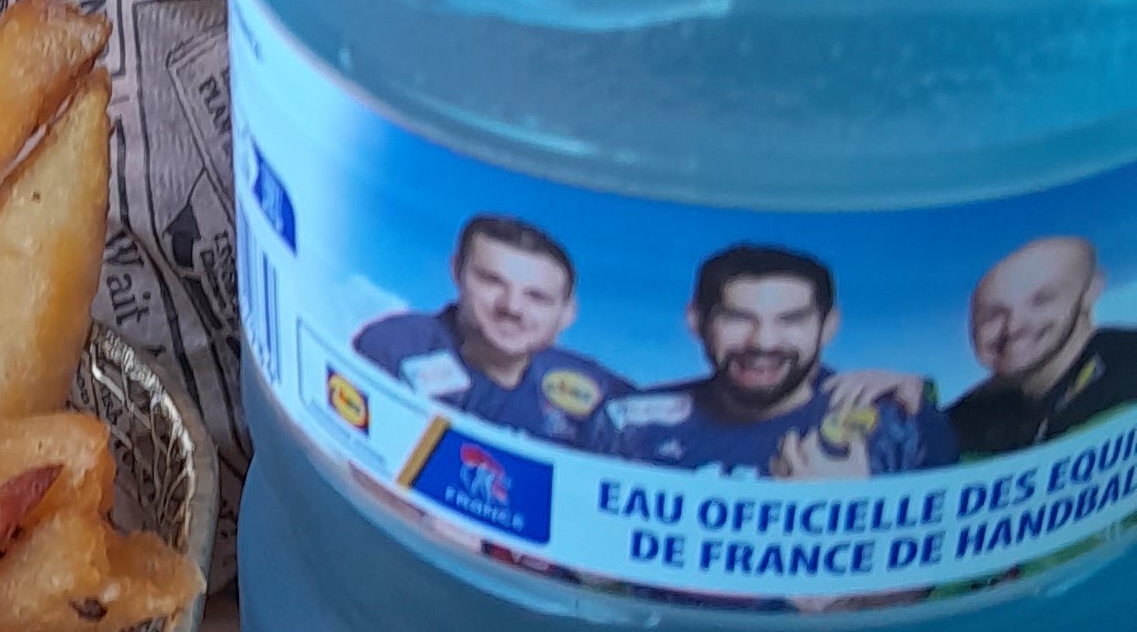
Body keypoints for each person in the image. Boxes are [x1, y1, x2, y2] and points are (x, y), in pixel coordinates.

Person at [602, 244, 954, 477]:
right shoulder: (628, 425)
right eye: (738, 318)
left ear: (829, 326)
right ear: (696, 321)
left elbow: (940, 558)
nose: (764, 342)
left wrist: (851, 510)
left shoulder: (897, 425)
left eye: (791, 320)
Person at [352, 214, 628, 447]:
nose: (512, 307)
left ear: (568, 313)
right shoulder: (395, 348)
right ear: (457, 272)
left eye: (537, 297)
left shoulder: (595, 390)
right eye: (492, 281)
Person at [949, 232, 1137, 456]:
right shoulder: (965, 421)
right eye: (992, 315)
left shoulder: (1129, 370)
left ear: (1090, 290)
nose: (1014, 327)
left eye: (1041, 301)